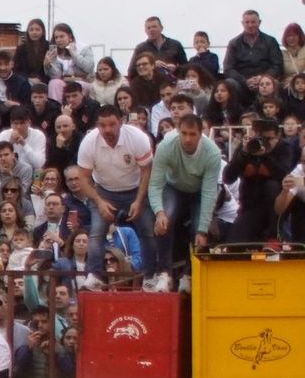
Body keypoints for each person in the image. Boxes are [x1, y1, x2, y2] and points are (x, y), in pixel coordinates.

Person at [75, 105, 157, 277]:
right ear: (97, 125)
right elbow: (83, 178)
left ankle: (151, 276)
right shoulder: (89, 142)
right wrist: (99, 201)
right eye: (102, 125)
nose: (107, 130)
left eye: (112, 124)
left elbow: (147, 170)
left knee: (148, 232)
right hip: (104, 190)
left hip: (136, 188)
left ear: (121, 122)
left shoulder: (137, 138)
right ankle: (94, 277)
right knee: (97, 233)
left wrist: (139, 200)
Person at [148, 115, 222, 283]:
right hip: (173, 186)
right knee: (165, 219)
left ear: (201, 133)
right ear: (178, 131)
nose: (187, 139)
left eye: (192, 134)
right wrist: (159, 212)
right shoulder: (166, 145)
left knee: (198, 229)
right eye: (184, 133)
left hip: (199, 191)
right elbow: (155, 184)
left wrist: (203, 229)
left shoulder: (212, 152)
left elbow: (209, 192)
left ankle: (190, 274)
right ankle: (164, 272)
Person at [223, 116, 292, 242]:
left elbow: (284, 175)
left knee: (272, 185)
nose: (263, 142)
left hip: (277, 209)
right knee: (235, 241)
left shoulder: (284, 148)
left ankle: (274, 235)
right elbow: (227, 178)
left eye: (268, 139)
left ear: (278, 136)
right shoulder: (249, 147)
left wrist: (265, 156)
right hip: (251, 206)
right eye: (260, 138)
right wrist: (243, 154)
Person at [224, 10, 284, 91]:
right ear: (242, 23)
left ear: (259, 22)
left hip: (266, 82)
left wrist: (263, 78)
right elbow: (228, 68)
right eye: (247, 22)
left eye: (253, 22)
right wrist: (245, 81)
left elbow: (277, 66)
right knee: (229, 83)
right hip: (242, 84)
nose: (250, 25)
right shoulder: (233, 43)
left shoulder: (271, 41)